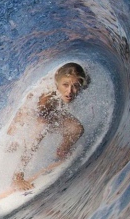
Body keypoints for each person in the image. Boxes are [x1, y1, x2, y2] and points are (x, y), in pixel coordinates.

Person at [5, 62, 89, 192]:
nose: (70, 91)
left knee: (77, 129)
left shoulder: (81, 81)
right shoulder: (46, 98)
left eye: (75, 86)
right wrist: (16, 137)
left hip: (50, 112)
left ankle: (62, 152)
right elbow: (34, 123)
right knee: (38, 129)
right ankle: (16, 177)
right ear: (57, 84)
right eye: (65, 85)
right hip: (27, 115)